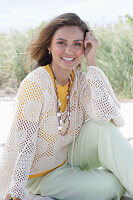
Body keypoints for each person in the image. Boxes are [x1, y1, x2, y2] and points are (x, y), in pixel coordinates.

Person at [0, 13, 133, 200]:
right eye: (61, 43)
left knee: (103, 128)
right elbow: (24, 143)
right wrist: (16, 193)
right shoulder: (35, 83)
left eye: (77, 44)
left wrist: (92, 62)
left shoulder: (80, 81)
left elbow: (107, 117)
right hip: (41, 175)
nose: (69, 51)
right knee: (111, 187)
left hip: (68, 157)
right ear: (49, 46)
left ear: (84, 47)